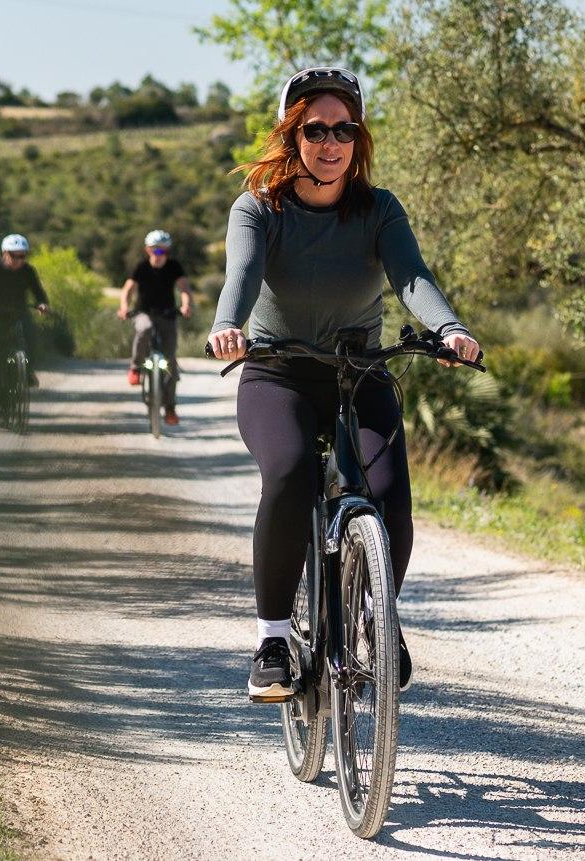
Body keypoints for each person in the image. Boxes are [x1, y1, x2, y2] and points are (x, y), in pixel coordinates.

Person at [206, 66, 481, 702]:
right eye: (316, 130)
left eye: (344, 130)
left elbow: (412, 277)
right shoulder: (259, 208)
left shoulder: (378, 209)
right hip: (278, 373)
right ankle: (274, 640)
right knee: (291, 472)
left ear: (358, 139)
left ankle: (376, 620)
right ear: (292, 135)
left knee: (388, 495)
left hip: (359, 374)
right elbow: (242, 274)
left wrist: (449, 328)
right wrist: (227, 325)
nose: (330, 143)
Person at [118, 228, 195, 424]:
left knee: (171, 363)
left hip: (167, 315)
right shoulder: (141, 266)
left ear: (167, 251)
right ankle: (136, 367)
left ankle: (170, 408)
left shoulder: (174, 266)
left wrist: (186, 305)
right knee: (144, 329)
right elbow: (127, 290)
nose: (159, 254)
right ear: (148, 250)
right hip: (143, 313)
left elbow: (184, 289)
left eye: (163, 250)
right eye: (155, 250)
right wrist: (124, 307)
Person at [0, 234, 49, 413]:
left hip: (19, 314)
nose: (18, 260)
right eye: (14, 256)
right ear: (4, 253)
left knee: (31, 337)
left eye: (22, 256)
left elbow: (38, 291)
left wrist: (42, 303)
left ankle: (27, 371)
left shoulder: (28, 270)